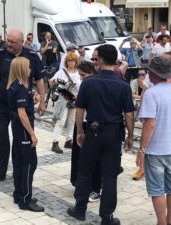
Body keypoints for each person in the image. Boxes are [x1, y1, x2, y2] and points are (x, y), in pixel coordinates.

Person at [67, 44, 134, 224]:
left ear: (102, 60)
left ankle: (80, 209)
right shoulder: (123, 85)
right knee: (110, 176)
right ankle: (107, 217)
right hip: (113, 134)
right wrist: (129, 136)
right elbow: (129, 114)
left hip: (93, 132)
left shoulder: (89, 83)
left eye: (96, 59)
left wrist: (80, 131)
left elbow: (79, 109)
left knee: (85, 171)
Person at [0, 29, 46, 184]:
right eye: (7, 40)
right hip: (3, 105)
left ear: (21, 42)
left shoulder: (31, 56)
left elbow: (39, 79)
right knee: (0, 137)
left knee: (22, 140)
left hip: (23, 107)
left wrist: (43, 101)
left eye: (12, 42)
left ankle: (19, 172)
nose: (8, 44)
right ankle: (0, 171)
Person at [137, 57, 171, 225]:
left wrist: (142, 149)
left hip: (155, 149)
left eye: (150, 72)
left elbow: (150, 124)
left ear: (154, 74)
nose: (148, 75)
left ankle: (161, 222)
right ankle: (170, 220)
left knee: (157, 189)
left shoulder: (152, 93)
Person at [7, 56, 44, 212]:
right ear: (22, 69)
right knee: (29, 162)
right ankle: (25, 199)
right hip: (23, 127)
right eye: (28, 67)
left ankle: (19, 193)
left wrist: (34, 99)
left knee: (19, 160)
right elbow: (22, 113)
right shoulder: (21, 87)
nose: (31, 70)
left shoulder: (18, 86)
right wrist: (32, 134)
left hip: (17, 126)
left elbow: (23, 106)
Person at [70, 61, 101, 203]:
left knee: (91, 157)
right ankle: (80, 183)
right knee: (79, 155)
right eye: (80, 75)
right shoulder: (86, 83)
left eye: (83, 75)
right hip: (82, 123)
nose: (81, 78)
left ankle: (94, 187)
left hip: (90, 124)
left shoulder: (94, 83)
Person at [50, 52, 81, 154]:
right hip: (63, 97)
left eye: (72, 61)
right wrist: (57, 80)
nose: (70, 63)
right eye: (68, 61)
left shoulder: (79, 72)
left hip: (74, 98)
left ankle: (68, 140)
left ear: (76, 62)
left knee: (72, 121)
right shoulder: (62, 72)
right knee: (61, 120)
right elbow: (51, 82)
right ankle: (55, 142)